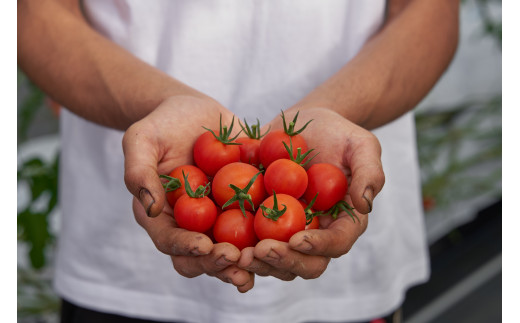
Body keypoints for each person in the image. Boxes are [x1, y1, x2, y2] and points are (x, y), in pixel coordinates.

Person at [18, 0, 459, 322]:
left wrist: (337, 112)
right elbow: (34, 15)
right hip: (121, 269)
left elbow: (430, 13)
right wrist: (161, 103)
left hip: (348, 270)